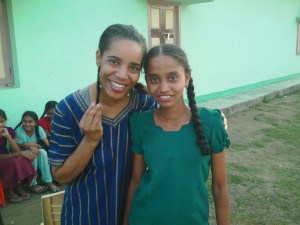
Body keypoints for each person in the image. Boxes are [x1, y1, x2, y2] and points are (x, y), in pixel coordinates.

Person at [48, 24, 158, 225]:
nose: (123, 75)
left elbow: (177, 123)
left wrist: (209, 120)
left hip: (135, 216)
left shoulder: (146, 106)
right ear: (99, 57)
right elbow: (61, 176)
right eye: (114, 61)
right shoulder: (69, 109)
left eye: (133, 67)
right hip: (83, 217)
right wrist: (90, 141)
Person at [123, 44, 230, 225]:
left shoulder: (210, 123)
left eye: (172, 77)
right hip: (144, 219)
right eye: (154, 79)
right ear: (147, 81)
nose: (164, 88)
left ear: (187, 78)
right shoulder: (141, 124)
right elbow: (135, 180)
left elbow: (219, 188)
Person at [15, 111, 60, 193]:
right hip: (23, 154)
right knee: (33, 155)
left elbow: (45, 145)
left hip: (37, 151)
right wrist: (28, 146)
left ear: (35, 122)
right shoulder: (18, 131)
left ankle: (48, 181)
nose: (27, 124)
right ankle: (32, 184)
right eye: (24, 121)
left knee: (43, 152)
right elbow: (17, 149)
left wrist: (31, 144)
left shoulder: (39, 129)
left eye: (30, 122)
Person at [0, 109, 36, 203]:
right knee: (12, 162)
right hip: (2, 158)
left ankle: (18, 187)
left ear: (5, 120)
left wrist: (7, 136)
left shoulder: (8, 130)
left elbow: (16, 150)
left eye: (2, 121)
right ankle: (8, 190)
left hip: (7, 155)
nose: (0, 125)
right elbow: (17, 152)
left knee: (23, 159)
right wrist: (19, 153)